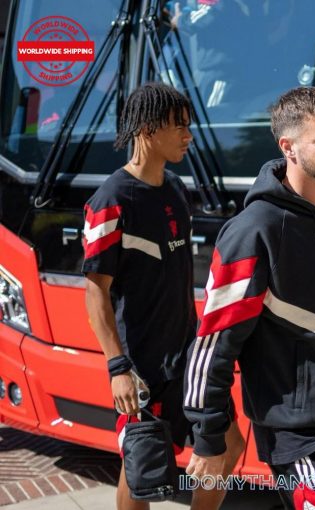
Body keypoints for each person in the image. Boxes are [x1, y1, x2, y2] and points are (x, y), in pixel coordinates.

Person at [184, 86, 315, 509]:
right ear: (287, 146)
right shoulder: (253, 231)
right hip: (298, 438)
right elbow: (211, 345)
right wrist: (208, 435)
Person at [82, 82, 244, 510]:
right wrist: (117, 366)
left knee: (229, 446)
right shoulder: (110, 201)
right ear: (149, 130)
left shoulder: (176, 189)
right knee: (144, 471)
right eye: (180, 127)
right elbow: (95, 293)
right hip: (142, 363)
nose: (189, 136)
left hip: (188, 356)